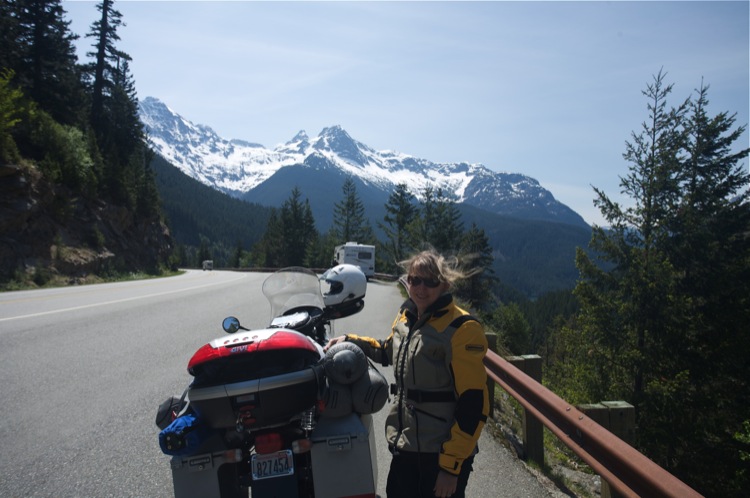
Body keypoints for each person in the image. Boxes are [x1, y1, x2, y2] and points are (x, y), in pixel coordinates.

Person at [325, 249, 489, 498]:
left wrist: (451, 468)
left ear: (444, 284)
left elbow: (473, 405)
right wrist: (349, 341)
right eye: (414, 280)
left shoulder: (461, 329)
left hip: (439, 453)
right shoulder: (407, 317)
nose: (420, 288)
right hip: (406, 444)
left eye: (430, 282)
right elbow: (387, 350)